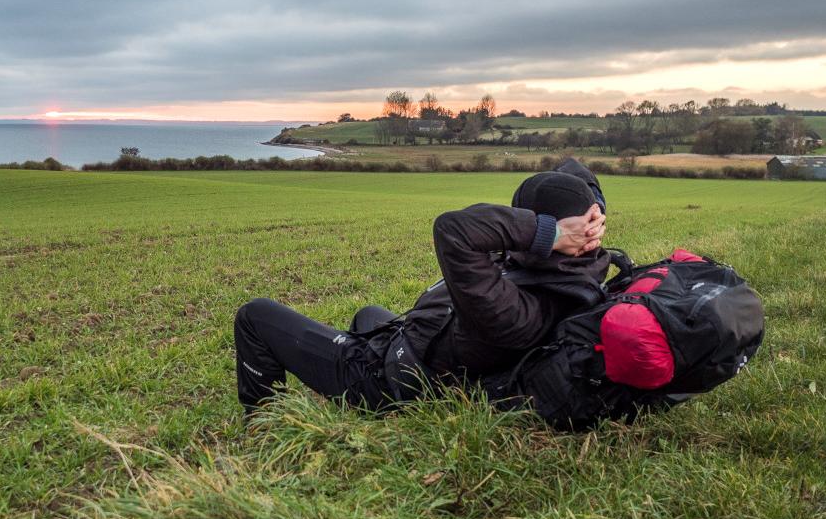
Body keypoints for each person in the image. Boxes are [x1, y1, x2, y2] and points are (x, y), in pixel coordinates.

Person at [234, 159, 611, 416]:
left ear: (555, 232)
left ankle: (264, 427)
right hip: (411, 344)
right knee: (367, 313)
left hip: (385, 381)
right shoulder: (571, 271)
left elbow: (455, 230)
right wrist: (588, 203)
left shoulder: (515, 310)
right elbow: (570, 175)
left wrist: (547, 232)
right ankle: (332, 368)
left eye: (526, 218)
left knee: (255, 315)